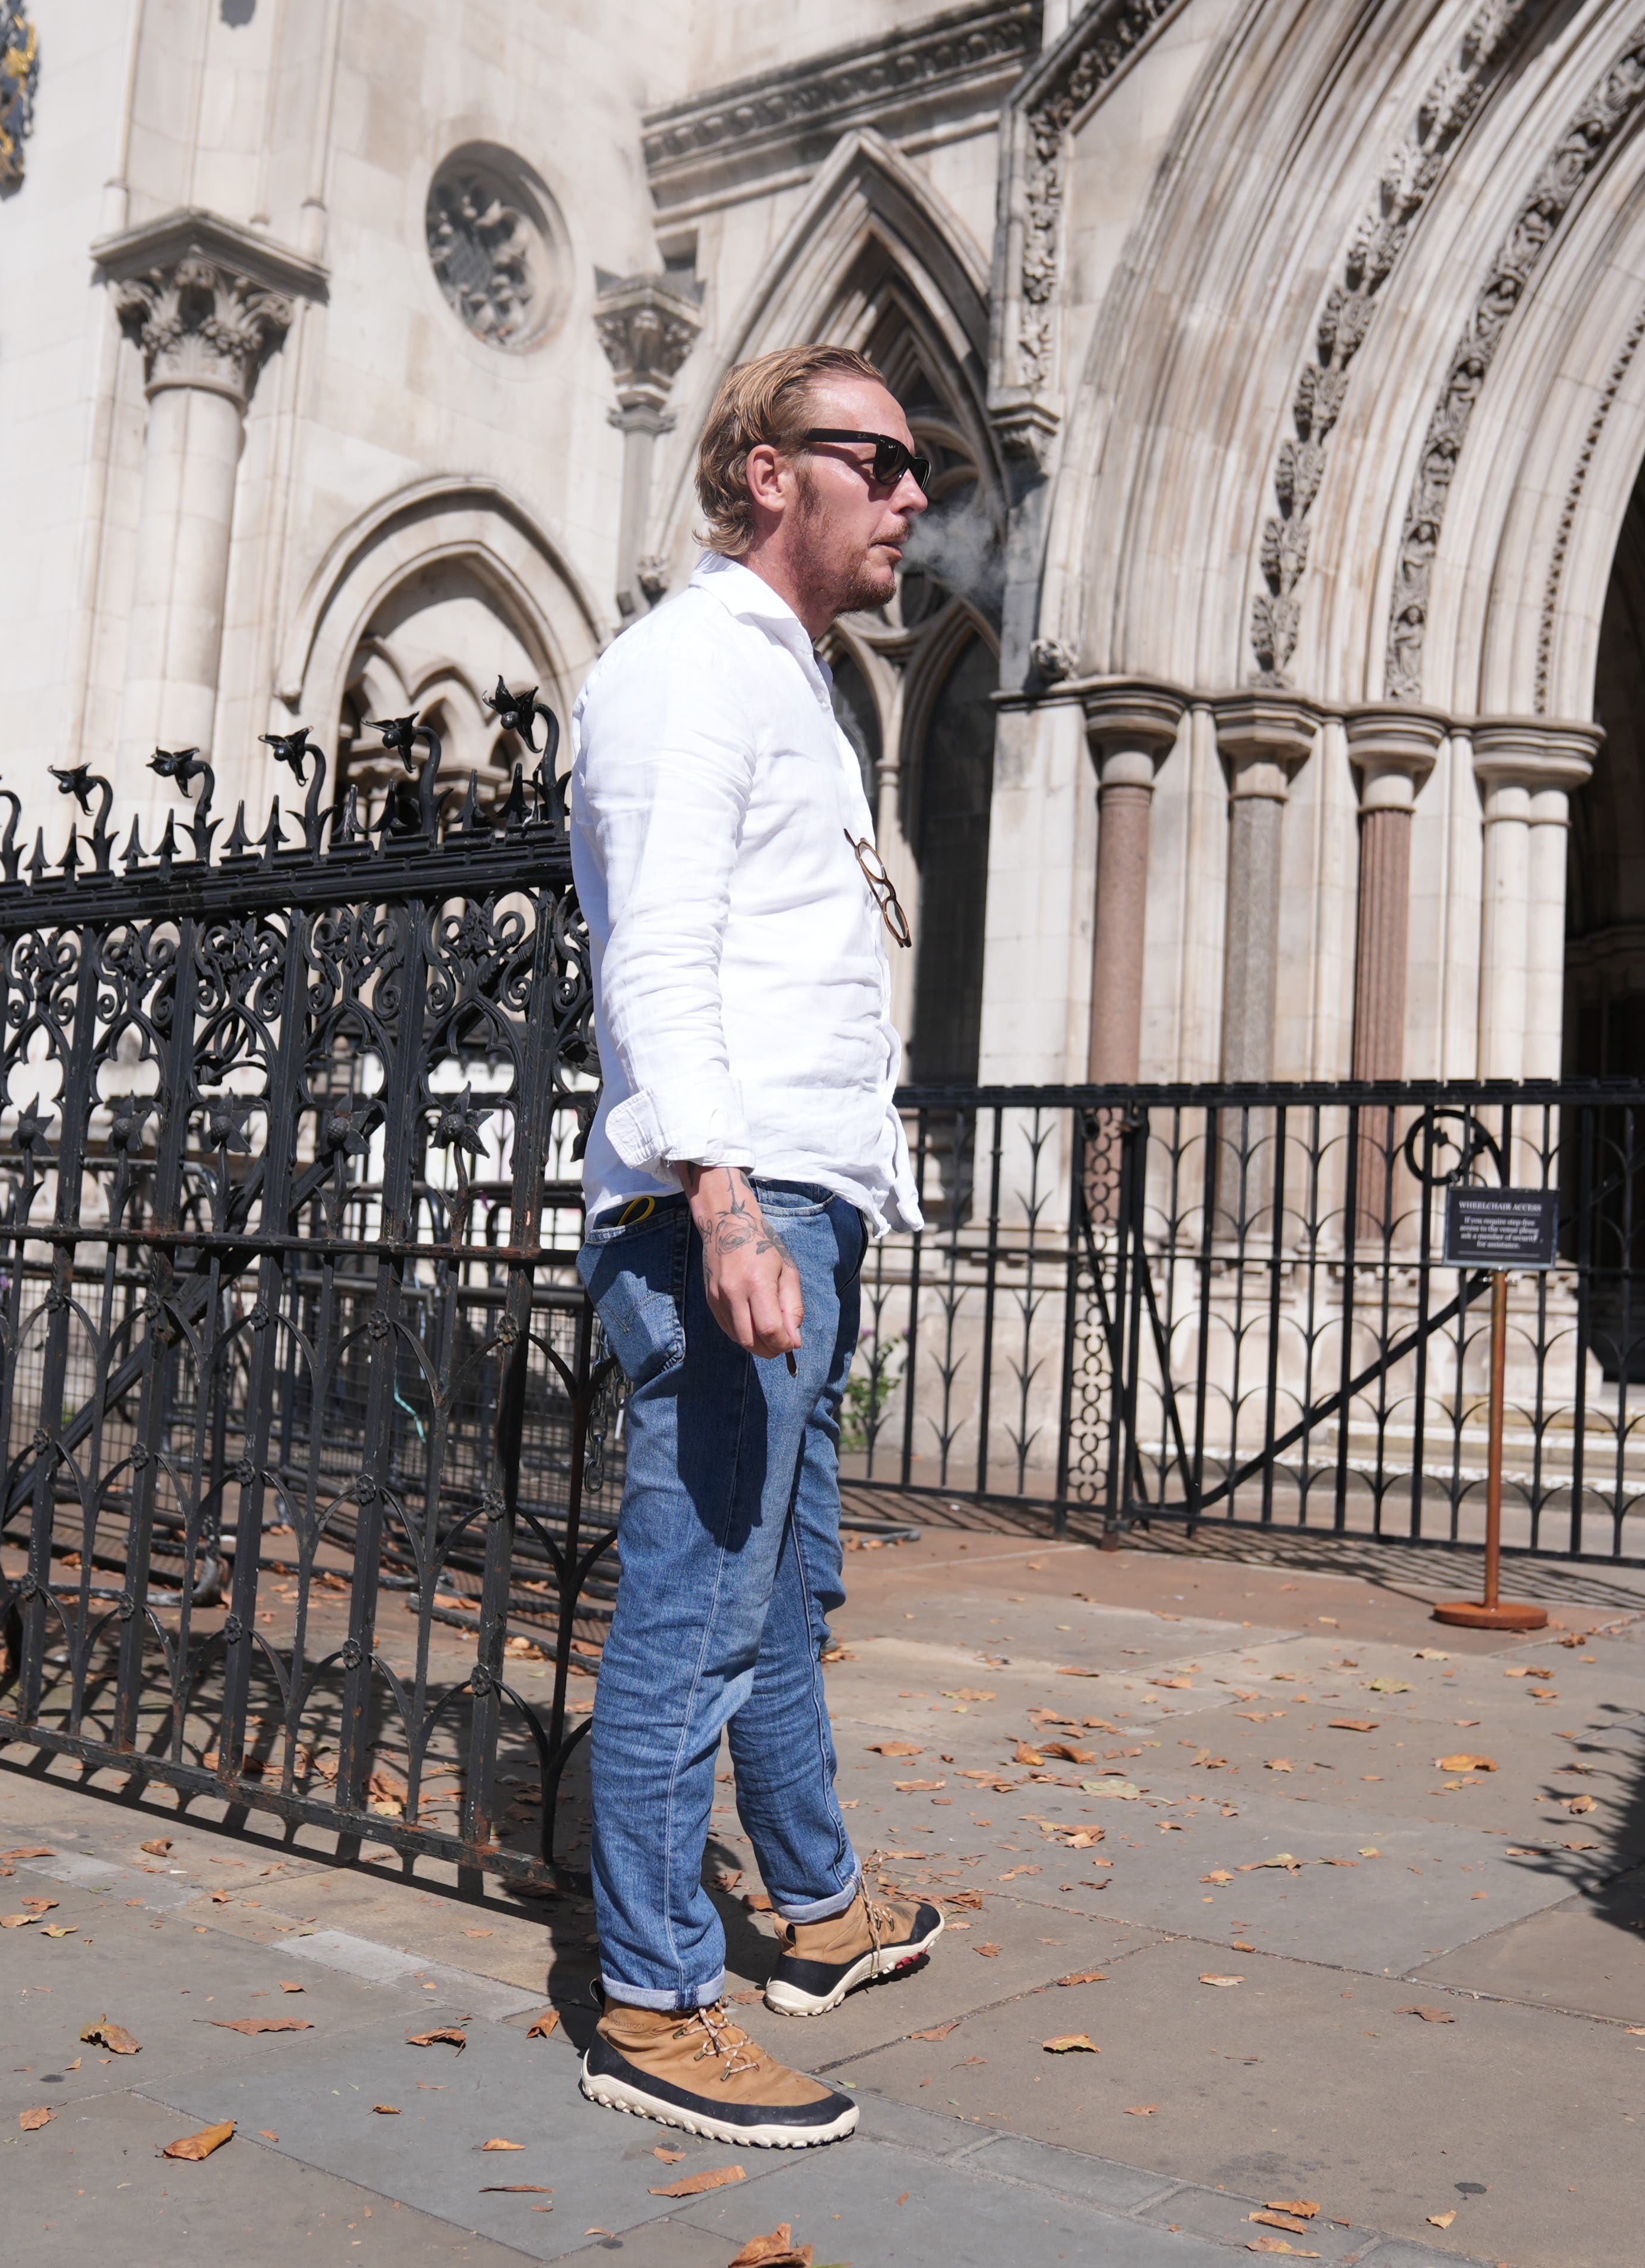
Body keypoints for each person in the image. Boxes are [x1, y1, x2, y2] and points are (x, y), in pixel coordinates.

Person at [564, 342, 944, 2148]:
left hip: (801, 1196)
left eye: (913, 462)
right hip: (724, 1203)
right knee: (695, 1616)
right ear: (766, 474)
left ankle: (814, 1907)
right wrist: (717, 1198)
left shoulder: (796, 685)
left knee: (781, 1596)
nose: (913, 492)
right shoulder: (682, 672)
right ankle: (650, 1996)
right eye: (879, 458)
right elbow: (654, 948)